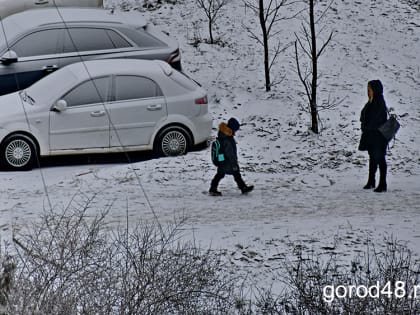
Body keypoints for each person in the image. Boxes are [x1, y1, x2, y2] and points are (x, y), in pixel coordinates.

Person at [209, 117, 254, 196]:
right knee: (234, 173)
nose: (236, 132)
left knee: (222, 174)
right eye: (235, 130)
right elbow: (230, 153)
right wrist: (234, 163)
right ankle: (243, 188)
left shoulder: (224, 134)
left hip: (222, 159)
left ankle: (213, 189)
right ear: (232, 129)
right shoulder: (227, 138)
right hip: (227, 161)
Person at [358, 79, 388, 192]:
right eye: (367, 90)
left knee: (380, 159)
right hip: (371, 136)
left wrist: (366, 127)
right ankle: (371, 181)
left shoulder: (378, 102)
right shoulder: (372, 101)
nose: (368, 92)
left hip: (378, 137)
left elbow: (375, 120)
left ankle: (382, 183)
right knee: (373, 159)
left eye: (370, 90)